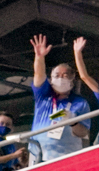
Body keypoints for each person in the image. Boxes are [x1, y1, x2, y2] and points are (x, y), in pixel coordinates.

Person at [25, 33, 94, 162]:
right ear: (50, 79)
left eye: (65, 75)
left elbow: (83, 132)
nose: (60, 78)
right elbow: (39, 74)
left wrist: (72, 121)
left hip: (67, 156)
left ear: (72, 80)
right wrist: (39, 57)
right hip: (38, 154)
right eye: (57, 75)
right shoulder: (44, 96)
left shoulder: (80, 103)